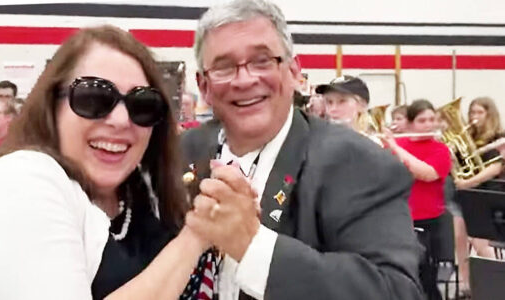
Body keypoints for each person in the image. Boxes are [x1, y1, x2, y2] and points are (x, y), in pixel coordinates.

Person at [0, 26, 209, 300]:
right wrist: (195, 237)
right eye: (93, 98)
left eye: (142, 104)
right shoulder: (20, 180)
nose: (121, 120)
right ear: (52, 105)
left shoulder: (141, 189)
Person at [181, 1, 422, 299]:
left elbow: (396, 291)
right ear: (203, 86)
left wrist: (252, 246)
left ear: (294, 72)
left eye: (262, 60)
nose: (244, 80)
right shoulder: (184, 151)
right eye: (224, 67)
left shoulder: (357, 163)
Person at [381, 99, 452, 300]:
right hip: (398, 219)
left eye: (432, 119)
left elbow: (426, 173)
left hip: (428, 222)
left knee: (426, 280)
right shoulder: (399, 144)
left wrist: (394, 146)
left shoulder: (440, 150)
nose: (428, 124)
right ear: (411, 124)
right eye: (422, 121)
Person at [451, 96, 503, 297]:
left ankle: (495, 283)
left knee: (480, 242)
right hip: (464, 194)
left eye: (479, 112)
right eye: (472, 112)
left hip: (485, 194)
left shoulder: (498, 137)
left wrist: (468, 182)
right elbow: (458, 165)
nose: (474, 117)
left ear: (489, 114)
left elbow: (495, 167)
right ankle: (465, 285)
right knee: (460, 239)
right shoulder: (467, 137)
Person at [317, 75, 383, 145]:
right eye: (329, 102)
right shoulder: (318, 142)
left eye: (342, 101)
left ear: (362, 105)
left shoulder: (371, 145)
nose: (333, 109)